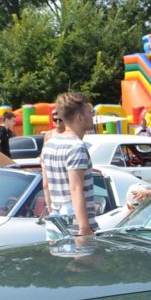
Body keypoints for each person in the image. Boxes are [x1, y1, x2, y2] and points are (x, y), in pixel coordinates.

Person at [41, 93, 97, 237]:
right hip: (77, 228)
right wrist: (85, 228)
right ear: (79, 118)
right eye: (90, 112)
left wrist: (53, 213)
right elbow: (76, 189)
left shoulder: (49, 144)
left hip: (56, 224)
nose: (93, 116)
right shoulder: (76, 147)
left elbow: (46, 185)